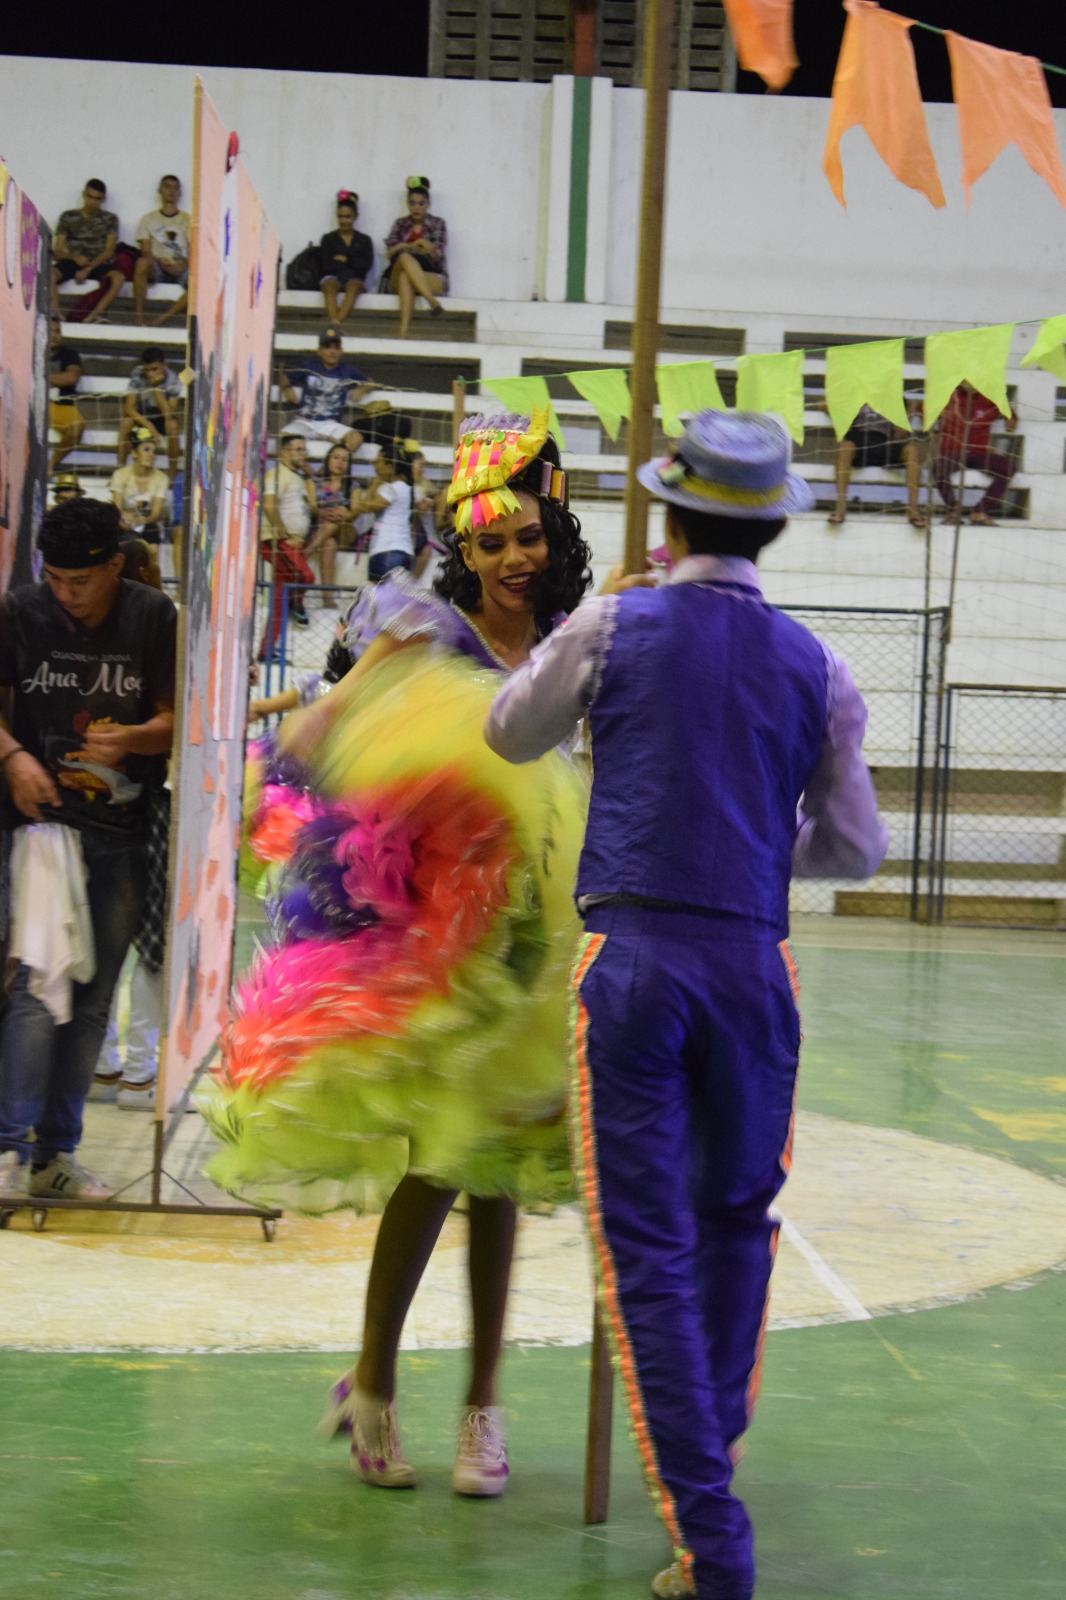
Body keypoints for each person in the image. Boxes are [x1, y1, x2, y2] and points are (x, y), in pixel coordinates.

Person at [485, 411, 889, 1600]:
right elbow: (855, 849)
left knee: (646, 1250)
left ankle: (712, 1543)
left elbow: (510, 732)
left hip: (636, 962)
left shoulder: (614, 623)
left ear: (666, 517)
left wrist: (590, 626)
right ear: (773, 530)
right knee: (734, 1226)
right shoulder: (820, 666)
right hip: (754, 965)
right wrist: (751, 846)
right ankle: (706, 1488)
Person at [199, 408, 593, 1499]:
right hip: (437, 950)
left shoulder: (577, 639)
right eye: (489, 542)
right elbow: (318, 731)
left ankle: (482, 1409)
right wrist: (331, 732)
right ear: (462, 550)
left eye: (527, 536)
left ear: (554, 532)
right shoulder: (427, 630)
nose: (512, 559)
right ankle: (373, 1381)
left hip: (534, 943)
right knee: (436, 1165)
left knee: (500, 1176)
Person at [0, 498, 177, 1201]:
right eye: (54, 579)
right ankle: (9, 1148)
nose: (65, 594)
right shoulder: (19, 610)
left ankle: (56, 1154)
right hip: (38, 830)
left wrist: (131, 739)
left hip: (122, 830)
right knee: (35, 990)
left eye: (80, 581)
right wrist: (13, 756)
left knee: (95, 997)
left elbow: (176, 721)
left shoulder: (153, 616)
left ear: (114, 566)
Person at [90, 537, 168, 1111]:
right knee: (154, 943)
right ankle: (138, 1073)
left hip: (109, 801)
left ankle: (104, 1066)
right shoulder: (162, 629)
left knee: (104, 939)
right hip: (157, 802)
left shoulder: (99, 637)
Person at [259, 433, 317, 659]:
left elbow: (310, 509)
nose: (303, 454)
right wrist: (283, 532)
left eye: (304, 450)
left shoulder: (298, 478)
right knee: (305, 576)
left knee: (279, 597)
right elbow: (268, 505)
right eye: (298, 449)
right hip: (278, 542)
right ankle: (297, 603)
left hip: (292, 544)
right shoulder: (276, 475)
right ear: (284, 452)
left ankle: (266, 650)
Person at [279, 327, 375, 455]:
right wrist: (287, 388)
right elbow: (283, 376)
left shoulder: (348, 370)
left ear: (341, 351)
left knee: (356, 438)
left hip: (330, 424)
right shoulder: (308, 366)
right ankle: (306, 467)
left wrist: (362, 389)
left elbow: (372, 383)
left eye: (336, 347)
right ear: (319, 351)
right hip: (305, 421)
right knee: (282, 438)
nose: (332, 351)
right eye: (327, 347)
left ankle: (331, 466)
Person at [933, 382, 1018, 525]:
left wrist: (1005, 409)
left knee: (1008, 467)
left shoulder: (991, 398)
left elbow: (1011, 427)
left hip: (980, 453)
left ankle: (980, 511)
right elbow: (922, 413)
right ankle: (953, 511)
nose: (969, 381)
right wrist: (938, 415)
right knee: (938, 466)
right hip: (953, 451)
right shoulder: (948, 395)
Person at [829, 404, 926, 529]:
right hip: (859, 439)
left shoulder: (894, 396)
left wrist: (907, 412)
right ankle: (841, 506)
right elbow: (828, 407)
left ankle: (913, 509)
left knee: (912, 450)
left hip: (886, 441)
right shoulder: (856, 395)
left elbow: (900, 434)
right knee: (844, 447)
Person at [52, 180, 126, 325]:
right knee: (49, 275)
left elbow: (109, 251)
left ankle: (92, 317)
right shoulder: (68, 216)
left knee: (118, 278)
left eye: (97, 198)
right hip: (72, 261)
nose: (92, 202)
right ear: (84, 195)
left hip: (98, 262)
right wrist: (74, 257)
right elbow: (58, 251)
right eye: (90, 197)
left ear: (103, 199)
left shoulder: (110, 219)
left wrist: (89, 268)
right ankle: (56, 314)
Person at [384, 177, 448, 339]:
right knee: (405, 258)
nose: (416, 207)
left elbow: (437, 255)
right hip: (397, 272)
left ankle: (403, 332)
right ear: (407, 204)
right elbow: (391, 253)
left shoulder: (437, 223)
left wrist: (404, 245)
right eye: (412, 203)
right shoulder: (400, 224)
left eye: (421, 203)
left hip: (429, 274)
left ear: (428, 204)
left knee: (406, 276)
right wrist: (417, 245)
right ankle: (431, 301)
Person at [133, 175, 191, 327]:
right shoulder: (148, 219)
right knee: (141, 263)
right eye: (167, 186)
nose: (171, 191)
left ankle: (161, 319)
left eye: (175, 188)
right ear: (160, 190)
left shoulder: (189, 220)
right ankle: (138, 318)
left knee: (201, 281)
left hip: (181, 268)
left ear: (180, 193)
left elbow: (195, 252)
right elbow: (145, 251)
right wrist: (160, 261)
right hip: (158, 267)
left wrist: (182, 265)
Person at [120, 346, 183, 478]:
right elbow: (129, 408)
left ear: (164, 366)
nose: (150, 374)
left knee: (173, 426)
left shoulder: (173, 379)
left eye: (154, 369)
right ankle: (119, 471)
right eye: (147, 370)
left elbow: (169, 414)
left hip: (162, 416)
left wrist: (156, 389)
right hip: (142, 414)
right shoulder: (138, 373)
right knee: (126, 423)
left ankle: (172, 473)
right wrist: (150, 426)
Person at [303, 443, 357, 600]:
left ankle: (304, 555)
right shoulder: (314, 481)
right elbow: (312, 507)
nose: (340, 462)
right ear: (328, 460)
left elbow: (355, 511)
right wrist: (323, 512)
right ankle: (327, 595)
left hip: (345, 531)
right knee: (329, 543)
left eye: (344, 460)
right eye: (336, 457)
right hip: (320, 528)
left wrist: (344, 514)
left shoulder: (353, 485)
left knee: (334, 521)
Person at [355, 443, 414, 582]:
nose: (374, 466)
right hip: (404, 551)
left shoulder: (391, 489)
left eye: (378, 461)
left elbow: (366, 507)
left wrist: (374, 483)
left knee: (379, 594)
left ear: (389, 466)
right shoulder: (408, 489)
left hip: (387, 550)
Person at [320, 191, 374, 324]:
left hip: (356, 279)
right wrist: (354, 262)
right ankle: (335, 324)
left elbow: (365, 265)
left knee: (353, 286)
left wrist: (345, 259)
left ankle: (335, 324)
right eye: (340, 217)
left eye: (348, 217)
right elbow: (326, 265)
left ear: (355, 216)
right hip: (334, 277)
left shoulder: (364, 240)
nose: (344, 221)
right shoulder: (328, 239)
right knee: (329, 285)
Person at [110, 428, 169, 539]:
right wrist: (126, 520)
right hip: (124, 521)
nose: (151, 455)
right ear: (134, 453)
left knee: (152, 532)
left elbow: (155, 515)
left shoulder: (162, 478)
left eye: (154, 451)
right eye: (146, 450)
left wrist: (139, 521)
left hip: (148, 523)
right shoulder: (120, 474)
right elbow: (117, 509)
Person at [48, 318, 85, 474]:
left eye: (57, 331)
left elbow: (71, 378)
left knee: (77, 427)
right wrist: (58, 378)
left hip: (62, 406)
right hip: (35, 404)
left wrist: (41, 376)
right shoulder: (31, 350)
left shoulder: (70, 354)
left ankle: (49, 465)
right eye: (50, 330)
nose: (54, 335)